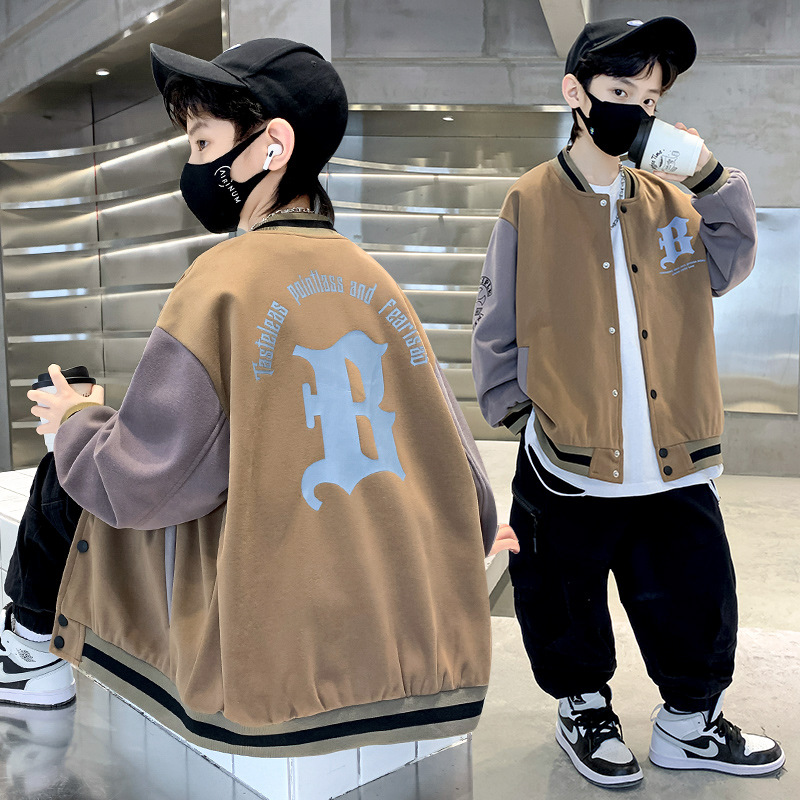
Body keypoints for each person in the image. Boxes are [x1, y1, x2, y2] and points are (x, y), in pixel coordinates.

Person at [1, 38, 499, 758]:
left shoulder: (221, 281)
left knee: (68, 470)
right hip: (419, 661)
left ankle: (28, 654)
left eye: (203, 142)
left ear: (273, 146)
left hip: (273, 668)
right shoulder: (377, 283)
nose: (194, 164)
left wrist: (76, 419)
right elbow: (474, 500)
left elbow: (140, 483)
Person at [472, 16, 784, 788]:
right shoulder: (529, 200)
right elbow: (495, 323)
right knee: (561, 596)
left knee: (695, 593)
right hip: (568, 455)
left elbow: (731, 261)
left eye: (650, 99)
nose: (637, 111)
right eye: (619, 90)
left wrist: (711, 176)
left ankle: (690, 726)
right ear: (575, 93)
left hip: (673, 452)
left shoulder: (673, 199)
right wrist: (524, 416)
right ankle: (583, 710)